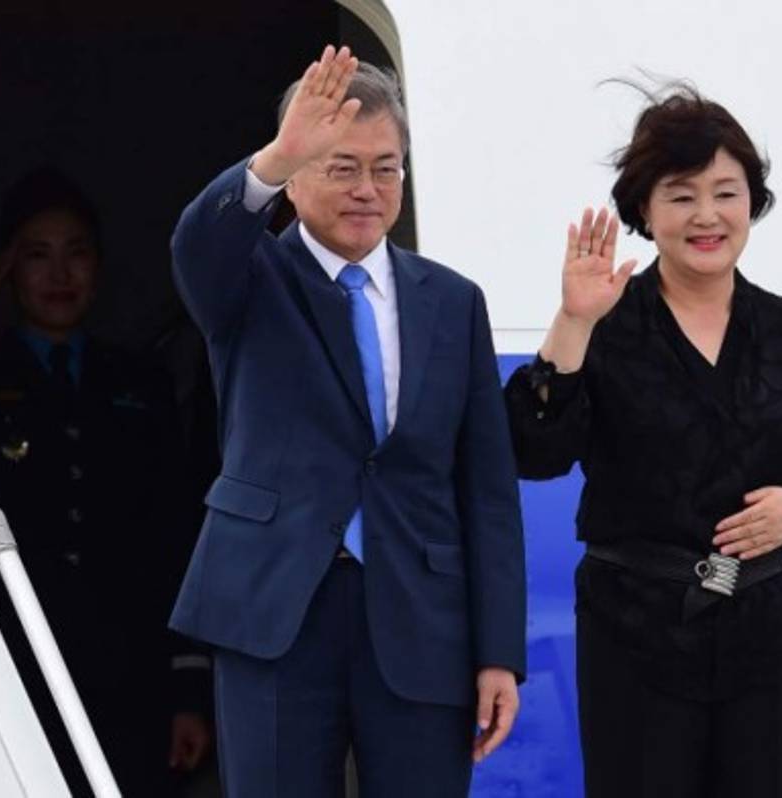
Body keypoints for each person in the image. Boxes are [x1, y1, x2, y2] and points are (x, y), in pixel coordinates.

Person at [167, 45, 526, 798]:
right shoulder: (250, 278)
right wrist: (273, 156)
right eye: (341, 165)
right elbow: (196, 245)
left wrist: (499, 652)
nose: (368, 188)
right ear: (294, 180)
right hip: (278, 610)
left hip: (420, 616)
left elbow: (486, 490)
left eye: (386, 167)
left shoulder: (453, 301)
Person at [503, 85, 782, 797]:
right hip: (634, 636)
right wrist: (572, 322)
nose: (707, 216)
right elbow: (533, 451)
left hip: (768, 637)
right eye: (681, 195)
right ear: (644, 209)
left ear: (751, 204)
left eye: (726, 193)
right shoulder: (606, 324)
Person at [0, 167, 213, 796]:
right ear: (8, 268)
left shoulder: (137, 379)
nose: (59, 274)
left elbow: (173, 527)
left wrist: (188, 684)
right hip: (11, 649)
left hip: (129, 659)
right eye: (35, 256)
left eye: (76, 253)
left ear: (99, 265)